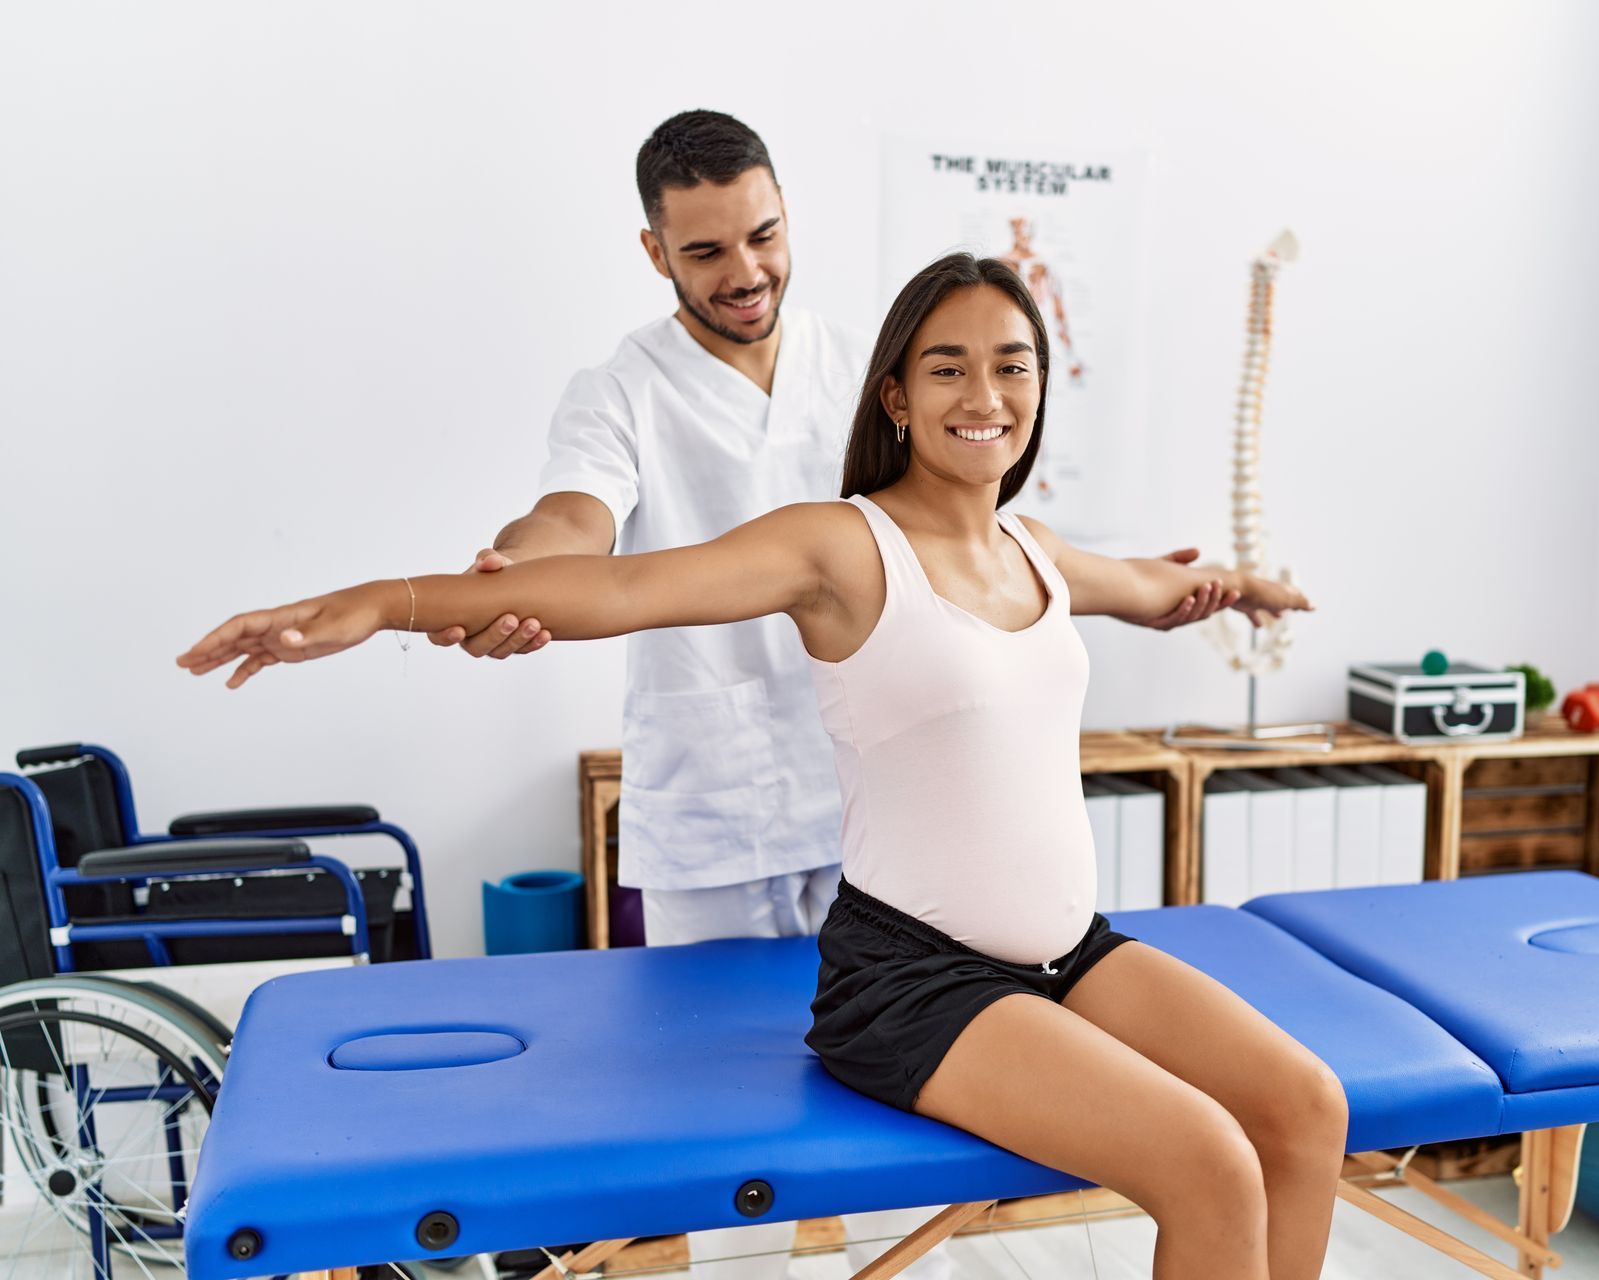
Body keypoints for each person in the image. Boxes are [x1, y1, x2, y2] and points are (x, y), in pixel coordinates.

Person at [180, 253, 1346, 1280]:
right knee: (1208, 1161)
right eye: (946, 367)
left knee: (1304, 1106)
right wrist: (381, 602)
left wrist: (1232, 588)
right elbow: (626, 587)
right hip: (919, 983)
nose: (983, 394)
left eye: (1011, 364)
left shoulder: (1031, 549)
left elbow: (1144, 587)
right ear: (895, 393)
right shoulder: (841, 543)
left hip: (1068, 951)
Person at [409, 109, 1234, 1279]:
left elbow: (1037, 550)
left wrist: (1211, 585)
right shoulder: (621, 391)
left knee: (914, 1159)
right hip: (716, 811)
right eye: (705, 252)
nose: (745, 272)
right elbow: (578, 524)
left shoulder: (875, 364)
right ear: (655, 253)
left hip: (888, 814)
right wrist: (512, 569)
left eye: (764, 235)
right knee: (733, 1157)